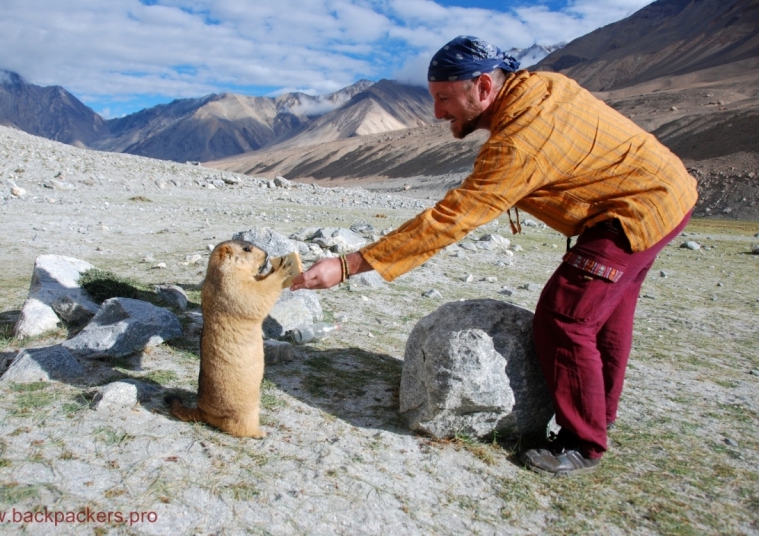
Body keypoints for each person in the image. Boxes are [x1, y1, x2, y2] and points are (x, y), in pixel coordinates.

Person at [290, 35, 697, 477]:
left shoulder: (519, 143)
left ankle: (584, 442)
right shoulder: (540, 87)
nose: (438, 112)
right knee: (604, 317)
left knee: (566, 317)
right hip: (665, 194)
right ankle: (600, 413)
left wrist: (349, 264)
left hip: (632, 212)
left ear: (484, 86)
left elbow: (453, 217)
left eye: (445, 98)